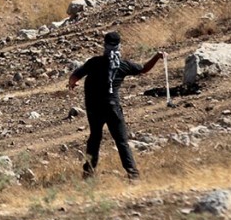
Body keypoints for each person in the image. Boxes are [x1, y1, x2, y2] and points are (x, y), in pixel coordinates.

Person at [68, 32, 165, 179]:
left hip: (94, 108)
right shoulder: (122, 65)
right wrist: (157, 57)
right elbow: (144, 69)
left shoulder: (94, 63)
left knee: (94, 138)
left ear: (104, 45)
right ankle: (132, 174)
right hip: (112, 107)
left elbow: (74, 76)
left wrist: (73, 83)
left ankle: (88, 173)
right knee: (121, 141)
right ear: (119, 46)